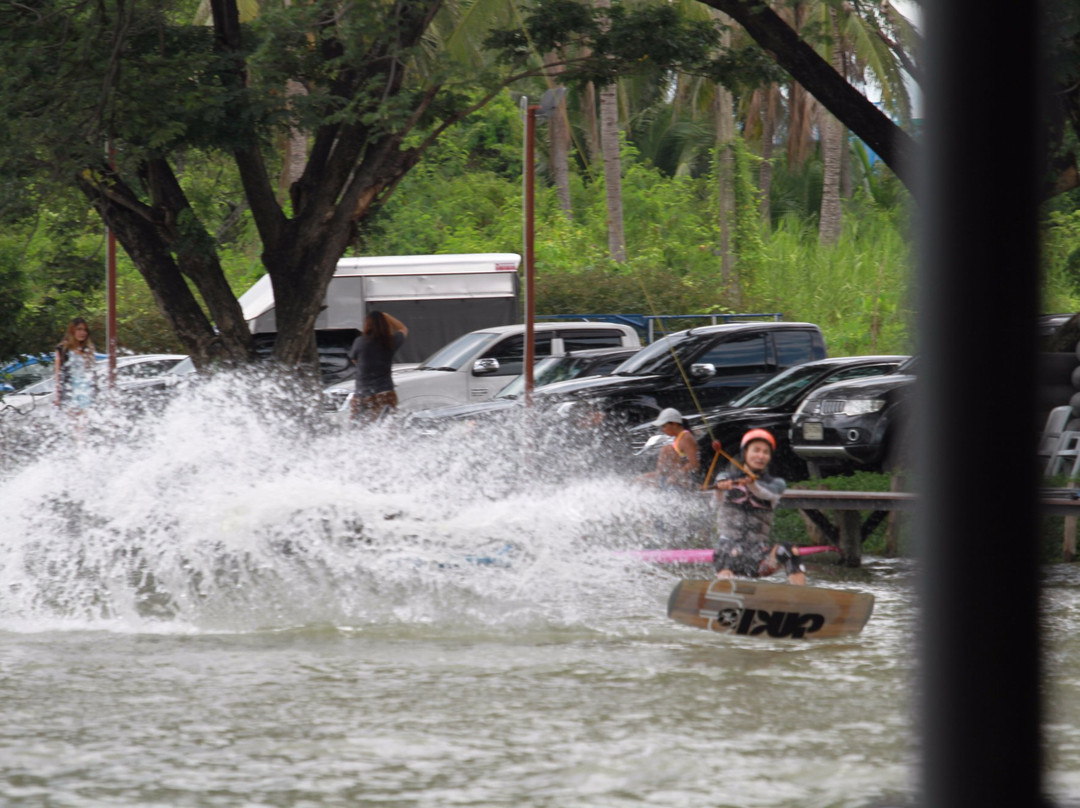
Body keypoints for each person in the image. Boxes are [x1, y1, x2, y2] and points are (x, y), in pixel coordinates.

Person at [713, 428, 806, 585]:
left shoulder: (776, 484)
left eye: (765, 452)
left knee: (791, 551)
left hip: (759, 559)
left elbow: (766, 494)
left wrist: (752, 483)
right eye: (756, 450)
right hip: (729, 553)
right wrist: (719, 488)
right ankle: (724, 593)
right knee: (729, 550)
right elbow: (715, 505)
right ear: (745, 453)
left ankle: (802, 597)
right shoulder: (727, 479)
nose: (761, 456)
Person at [347, 310, 408, 423]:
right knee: (387, 428)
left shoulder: (360, 342)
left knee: (359, 428)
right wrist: (387, 316)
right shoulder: (390, 341)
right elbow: (403, 329)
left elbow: (354, 360)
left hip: (362, 394)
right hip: (385, 393)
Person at [638, 407, 700, 489]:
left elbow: (694, 464)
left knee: (667, 449)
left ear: (674, 424)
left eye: (664, 426)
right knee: (638, 480)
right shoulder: (678, 437)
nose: (663, 430)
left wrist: (676, 476)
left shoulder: (686, 438)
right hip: (668, 476)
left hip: (682, 479)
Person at [54, 317, 97, 414]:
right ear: (72, 330)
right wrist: (58, 395)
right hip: (70, 388)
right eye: (79, 329)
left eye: (85, 330)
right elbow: (57, 373)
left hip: (86, 388)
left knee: (84, 422)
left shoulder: (88, 349)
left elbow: (91, 371)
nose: (83, 333)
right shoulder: (63, 349)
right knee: (72, 421)